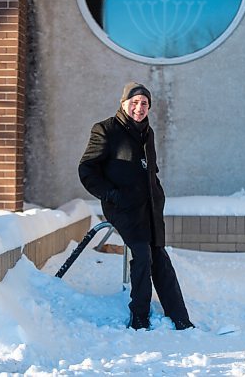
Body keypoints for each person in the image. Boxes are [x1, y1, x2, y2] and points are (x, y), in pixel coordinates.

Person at [78, 82, 194, 331]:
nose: (139, 108)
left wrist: (157, 192)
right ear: (123, 103)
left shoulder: (147, 132)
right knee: (142, 254)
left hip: (149, 206)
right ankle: (139, 316)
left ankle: (180, 316)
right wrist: (112, 194)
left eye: (144, 103)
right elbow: (87, 169)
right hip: (121, 206)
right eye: (134, 102)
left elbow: (150, 168)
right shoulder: (106, 129)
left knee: (159, 255)